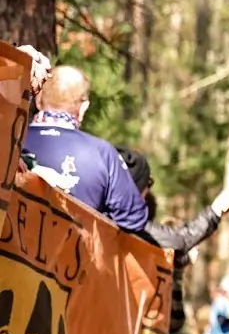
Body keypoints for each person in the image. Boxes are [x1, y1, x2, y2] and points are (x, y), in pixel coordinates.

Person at [119, 147, 229, 334]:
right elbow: (179, 240)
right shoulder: (126, 225)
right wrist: (216, 211)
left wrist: (177, 264)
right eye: (148, 184)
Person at [23, 65, 148, 232]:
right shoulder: (102, 153)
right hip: (72, 255)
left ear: (38, 100)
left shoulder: (9, 139)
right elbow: (134, 218)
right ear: (83, 107)